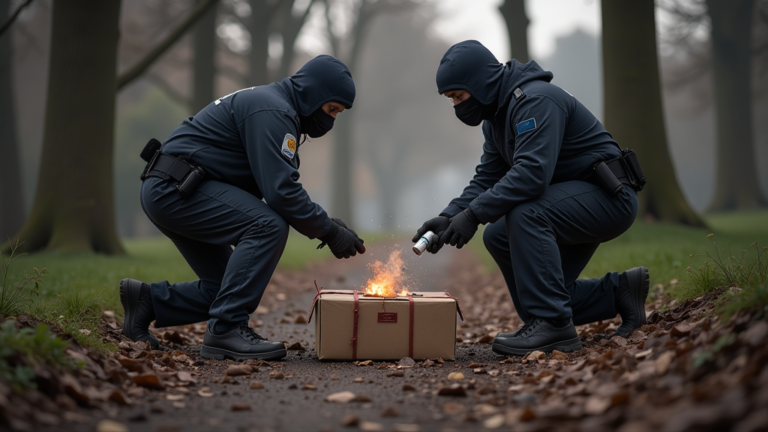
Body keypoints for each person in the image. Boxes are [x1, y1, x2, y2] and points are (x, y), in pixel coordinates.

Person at [120, 55, 366, 361]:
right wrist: (327, 231)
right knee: (268, 225)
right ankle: (226, 330)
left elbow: (273, 186)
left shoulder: (273, 105)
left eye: (338, 114)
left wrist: (328, 224)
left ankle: (147, 301)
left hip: (175, 188)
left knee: (225, 288)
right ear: (313, 94)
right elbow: (281, 193)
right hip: (175, 190)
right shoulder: (274, 111)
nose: (330, 120)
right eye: (331, 109)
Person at [412, 40, 649, 356]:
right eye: (451, 99)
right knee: (501, 240)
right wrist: (450, 214)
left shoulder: (535, 101)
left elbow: (532, 175)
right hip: (570, 202)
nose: (456, 105)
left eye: (459, 96)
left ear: (479, 84)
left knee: (526, 213)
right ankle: (618, 293)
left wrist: (473, 215)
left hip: (607, 198)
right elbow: (487, 177)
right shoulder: (496, 117)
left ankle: (555, 326)